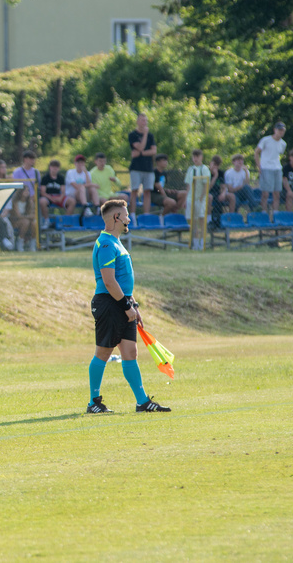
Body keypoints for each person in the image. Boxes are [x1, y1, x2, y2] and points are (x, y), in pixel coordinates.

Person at [86, 199, 171, 414]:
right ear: (116, 218)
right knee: (104, 352)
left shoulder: (116, 242)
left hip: (122, 303)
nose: (128, 219)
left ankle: (142, 402)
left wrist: (133, 305)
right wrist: (126, 306)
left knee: (130, 352)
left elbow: (121, 282)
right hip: (109, 304)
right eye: (125, 215)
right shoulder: (106, 244)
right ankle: (93, 403)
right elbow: (109, 281)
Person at [254, 122, 287, 215]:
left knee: (277, 193)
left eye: (282, 130)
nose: (281, 132)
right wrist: (259, 166)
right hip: (266, 168)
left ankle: (275, 214)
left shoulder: (283, 144)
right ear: (275, 130)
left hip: (277, 169)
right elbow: (256, 152)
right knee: (265, 193)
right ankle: (264, 213)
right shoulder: (266, 140)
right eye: (279, 130)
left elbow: (278, 155)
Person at [128, 112, 157, 216]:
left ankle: (146, 214)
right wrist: (144, 134)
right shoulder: (133, 135)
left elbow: (153, 151)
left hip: (148, 168)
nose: (144, 122)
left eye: (145, 120)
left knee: (147, 191)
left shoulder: (151, 136)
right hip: (136, 168)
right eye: (142, 120)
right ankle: (132, 214)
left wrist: (140, 153)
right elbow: (140, 146)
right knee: (134, 191)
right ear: (137, 121)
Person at [39, 159, 71, 227]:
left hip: (58, 196)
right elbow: (42, 192)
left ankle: (65, 221)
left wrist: (60, 198)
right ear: (50, 167)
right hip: (48, 196)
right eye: (53, 167)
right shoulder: (45, 178)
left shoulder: (61, 178)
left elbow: (63, 191)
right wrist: (51, 198)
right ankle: (46, 221)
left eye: (56, 167)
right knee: (42, 201)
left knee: (72, 201)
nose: (55, 169)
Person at [184, 149, 210, 221]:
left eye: (197, 156)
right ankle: (194, 232)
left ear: (201, 157)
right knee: (190, 218)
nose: (195, 158)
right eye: (194, 157)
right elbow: (188, 185)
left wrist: (201, 197)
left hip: (200, 198)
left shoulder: (204, 169)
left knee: (201, 217)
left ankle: (202, 232)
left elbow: (206, 185)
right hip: (190, 198)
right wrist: (186, 199)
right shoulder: (190, 169)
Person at [207, 155, 232, 227]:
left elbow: (223, 187)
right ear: (210, 163)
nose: (215, 167)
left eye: (217, 165)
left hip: (217, 193)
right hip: (208, 193)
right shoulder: (206, 172)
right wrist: (215, 176)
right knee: (210, 197)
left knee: (232, 196)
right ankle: (209, 220)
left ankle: (230, 219)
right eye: (214, 164)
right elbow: (208, 188)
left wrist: (223, 194)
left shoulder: (221, 173)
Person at [9, 184, 36, 252]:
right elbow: (18, 215)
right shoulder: (15, 202)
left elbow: (33, 215)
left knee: (34, 223)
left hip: (27, 221)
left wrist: (26, 217)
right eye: (25, 191)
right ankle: (20, 242)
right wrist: (27, 217)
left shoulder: (30, 202)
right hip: (15, 221)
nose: (27, 192)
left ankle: (32, 244)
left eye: (28, 191)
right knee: (26, 222)